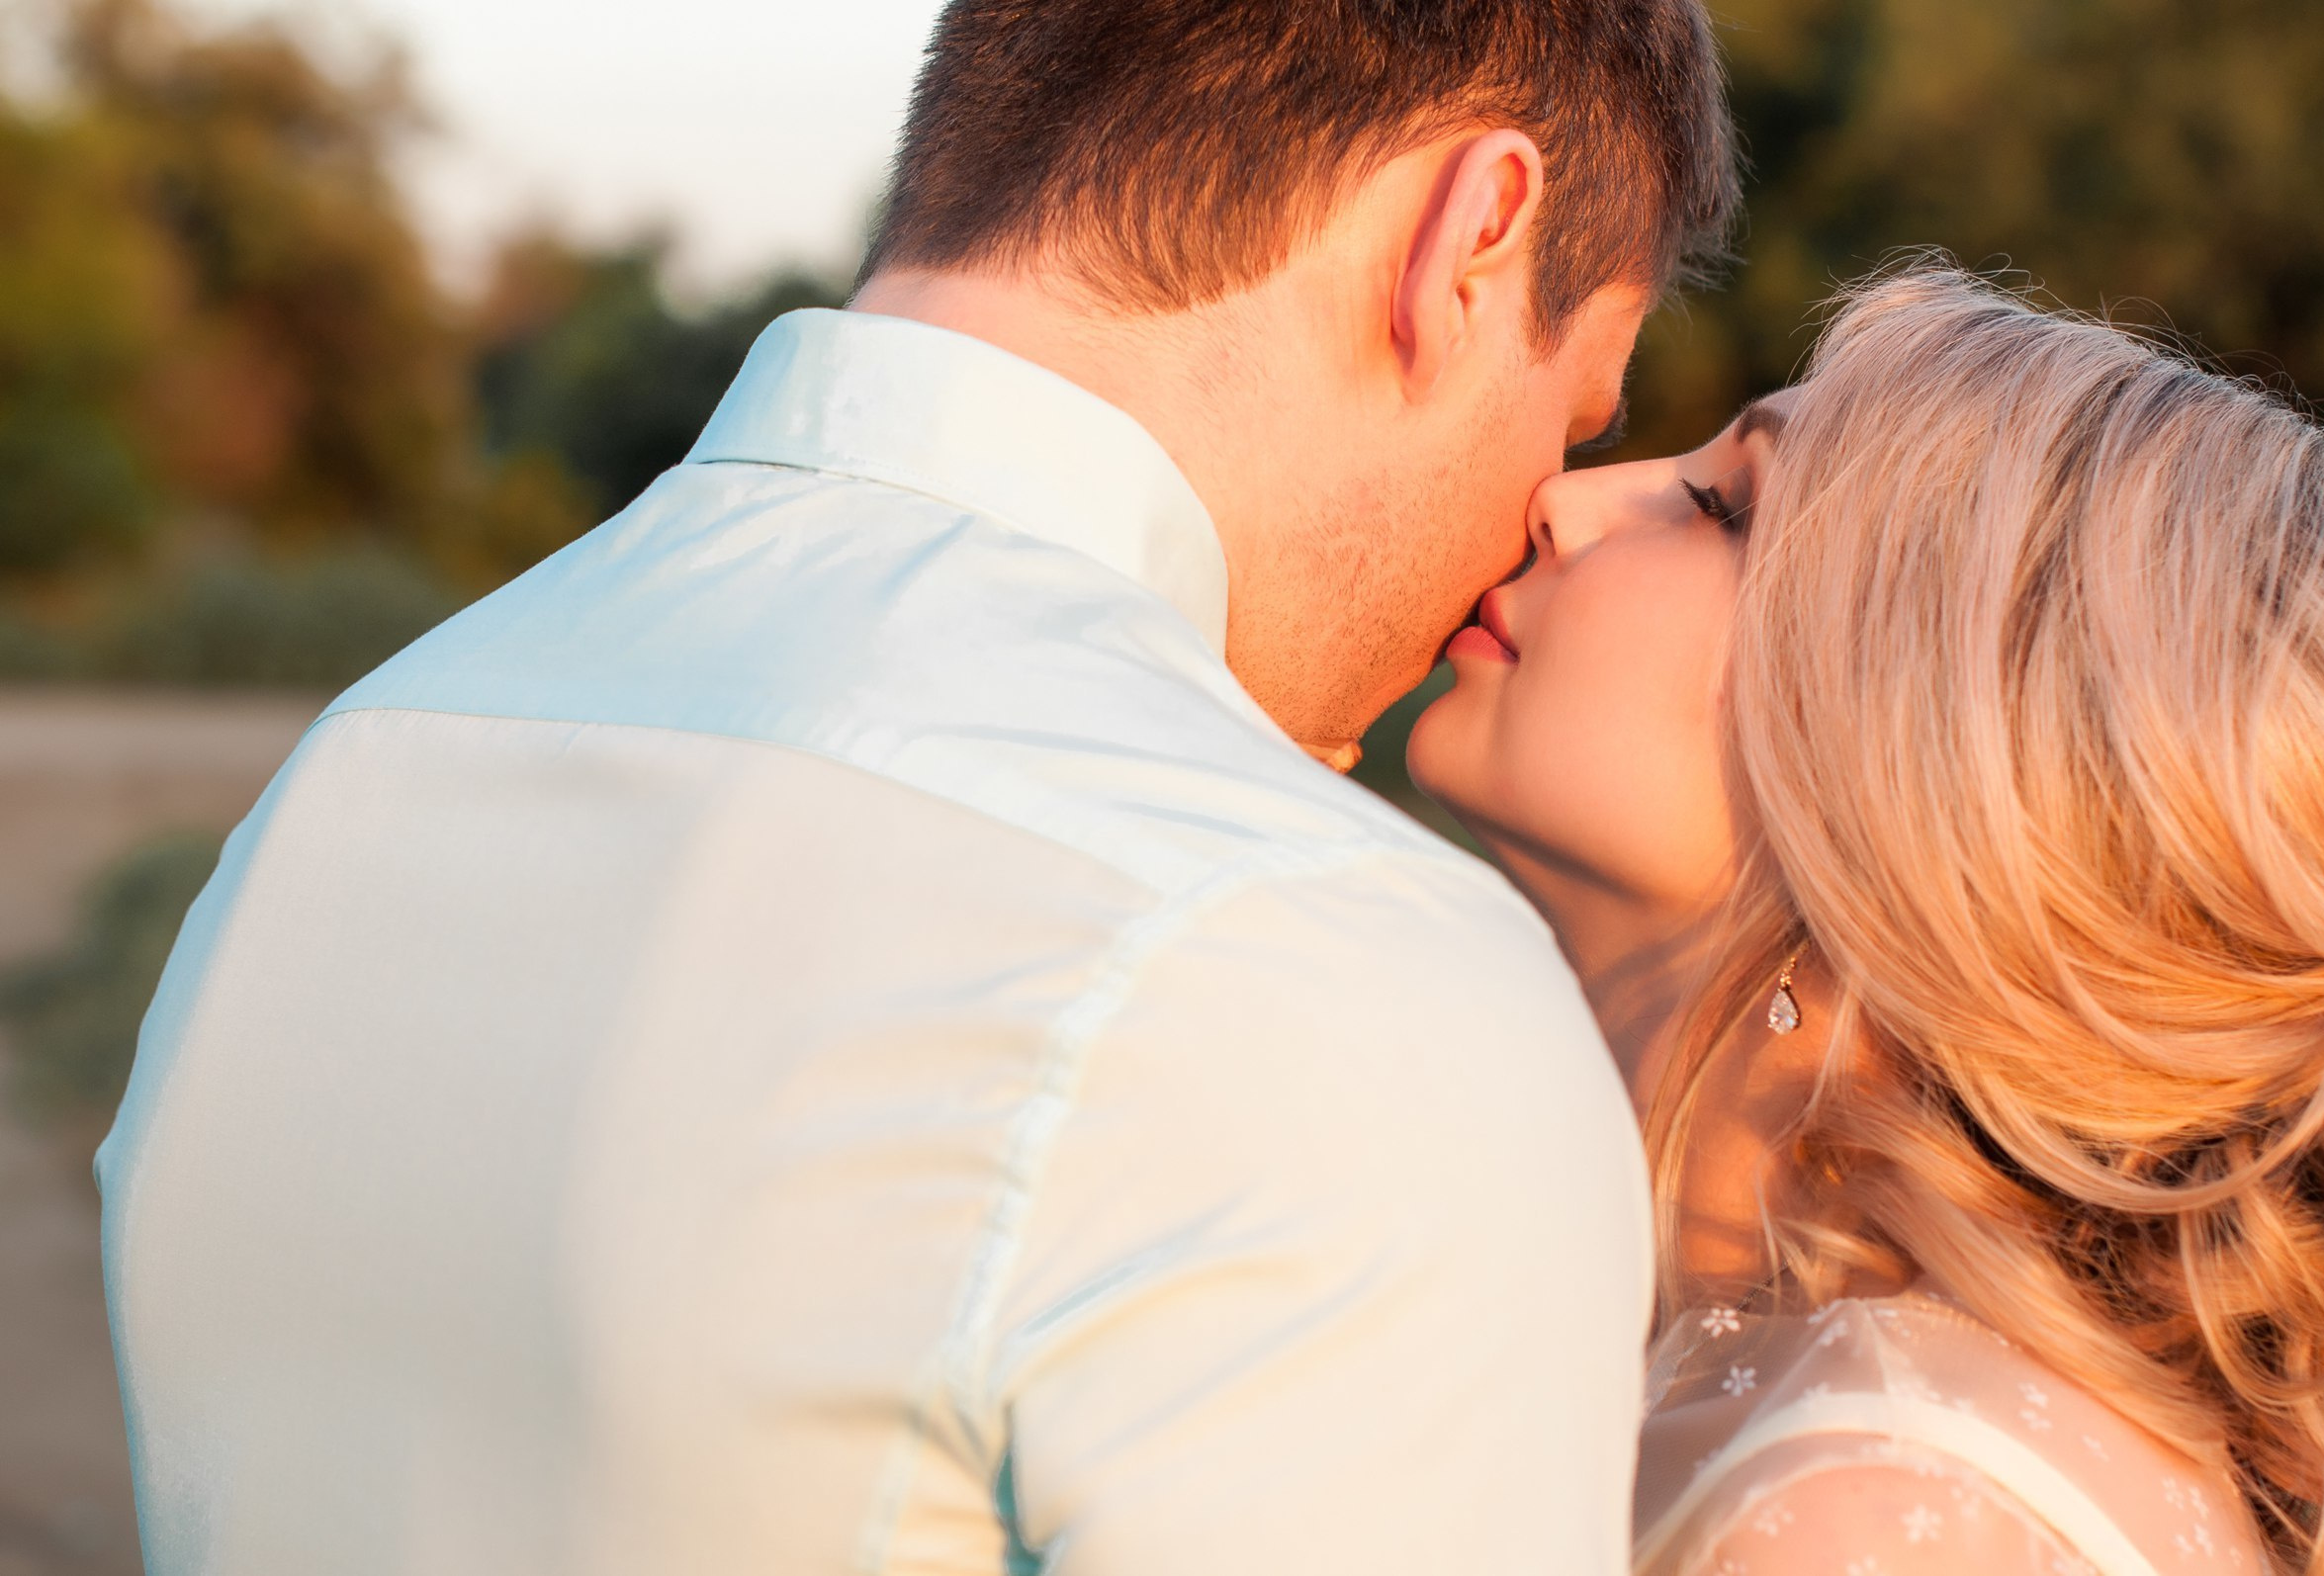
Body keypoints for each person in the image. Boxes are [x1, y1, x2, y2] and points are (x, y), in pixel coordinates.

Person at [96, 2, 1738, 1572]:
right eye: (1574, 404)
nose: (1546, 510)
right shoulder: (1319, 967)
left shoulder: (353, 772)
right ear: (1471, 237)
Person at [1412, 265, 2324, 1576]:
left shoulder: (1879, 1505)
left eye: (1718, 508)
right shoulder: (1873, 1429)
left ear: (1943, 780)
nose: (1564, 500)